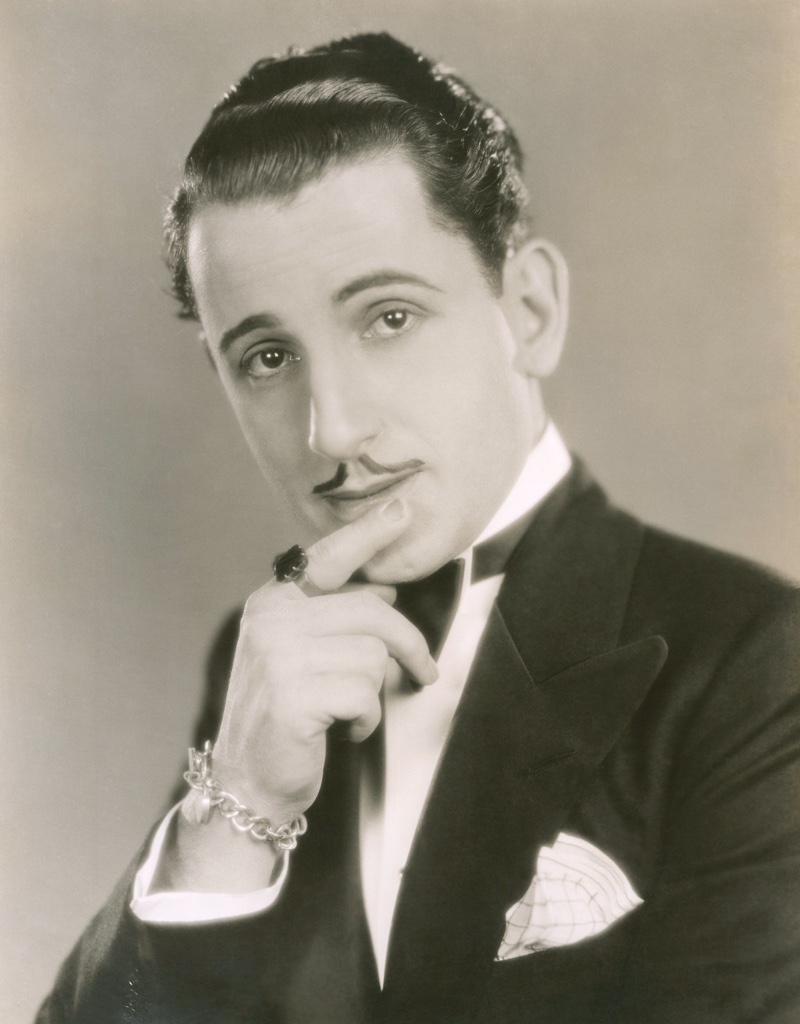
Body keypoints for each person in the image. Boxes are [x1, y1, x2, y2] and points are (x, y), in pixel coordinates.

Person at [37, 31, 800, 1024]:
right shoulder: (265, 668)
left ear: (525, 308)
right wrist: (234, 811)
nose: (331, 429)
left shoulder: (755, 661)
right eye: (266, 357)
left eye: (387, 317)